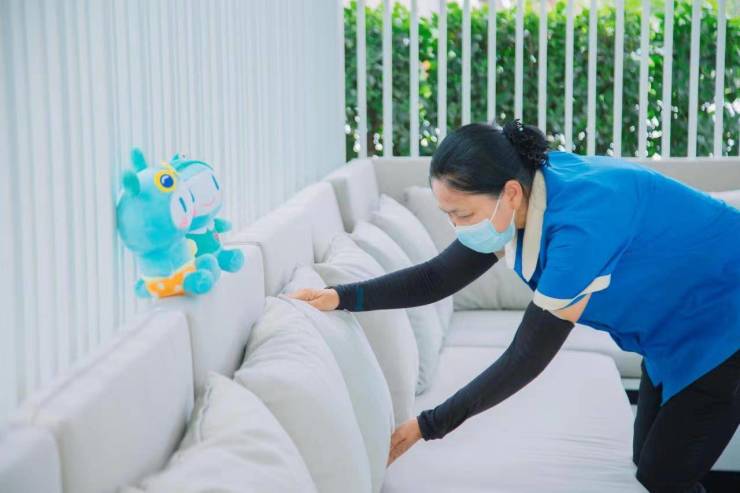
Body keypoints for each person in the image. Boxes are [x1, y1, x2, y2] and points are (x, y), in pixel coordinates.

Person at [286, 119, 740, 493]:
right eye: (447, 214)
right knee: (649, 464)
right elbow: (436, 277)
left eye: (463, 214)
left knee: (664, 477)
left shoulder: (580, 230)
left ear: (510, 193)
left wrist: (428, 425)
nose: (456, 228)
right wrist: (342, 296)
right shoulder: (523, 191)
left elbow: (526, 356)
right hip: (674, 331)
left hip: (725, 321)